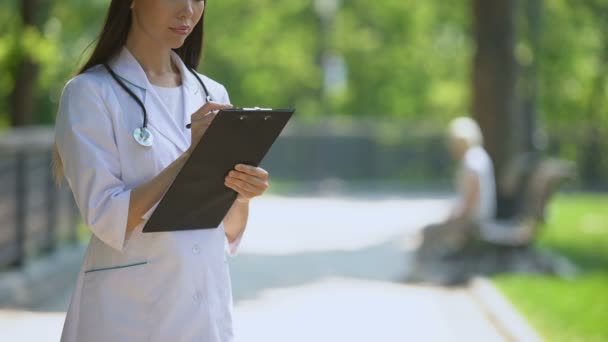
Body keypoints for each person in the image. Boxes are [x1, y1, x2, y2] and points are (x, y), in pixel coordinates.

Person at [52, 1, 269, 341]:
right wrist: (188, 158)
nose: (188, 11)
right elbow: (105, 216)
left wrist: (242, 195)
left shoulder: (212, 94)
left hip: (205, 313)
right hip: (128, 316)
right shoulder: (89, 94)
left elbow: (228, 229)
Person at [411, 117, 496, 282]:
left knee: (429, 232)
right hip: (477, 216)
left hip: (474, 220)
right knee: (432, 230)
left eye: (453, 142)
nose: (451, 147)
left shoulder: (472, 161)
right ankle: (423, 273)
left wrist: (453, 218)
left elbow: (471, 200)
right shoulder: (477, 157)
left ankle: (420, 274)